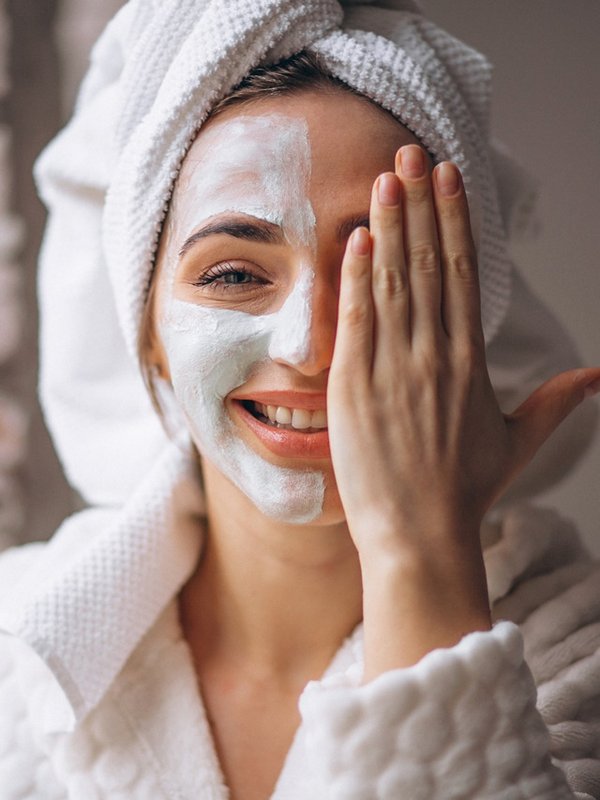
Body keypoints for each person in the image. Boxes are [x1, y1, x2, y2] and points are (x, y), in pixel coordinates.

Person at [0, 2, 599, 798]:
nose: (310, 348)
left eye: (376, 277)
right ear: (145, 330)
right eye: (235, 275)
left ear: (466, 323)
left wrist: (421, 553)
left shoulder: (579, 654)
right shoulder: (15, 648)